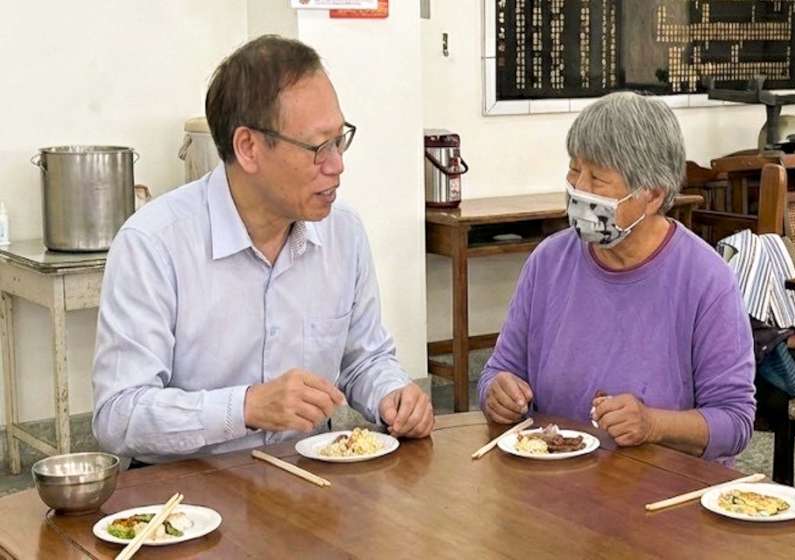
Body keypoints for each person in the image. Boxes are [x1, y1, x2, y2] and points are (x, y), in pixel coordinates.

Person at [92, 35, 433, 465]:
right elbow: (118, 415)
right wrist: (245, 407)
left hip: (308, 476)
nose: (337, 164)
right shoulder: (154, 244)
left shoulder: (342, 231)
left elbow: (364, 359)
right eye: (318, 147)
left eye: (339, 140)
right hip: (187, 487)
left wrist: (393, 394)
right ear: (248, 148)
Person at [478, 91, 755, 463]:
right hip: (557, 478)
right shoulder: (549, 261)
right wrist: (496, 393)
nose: (579, 188)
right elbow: (499, 370)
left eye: (597, 178)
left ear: (652, 195)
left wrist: (653, 425)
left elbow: (735, 422)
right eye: (574, 169)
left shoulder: (706, 279)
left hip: (665, 484)